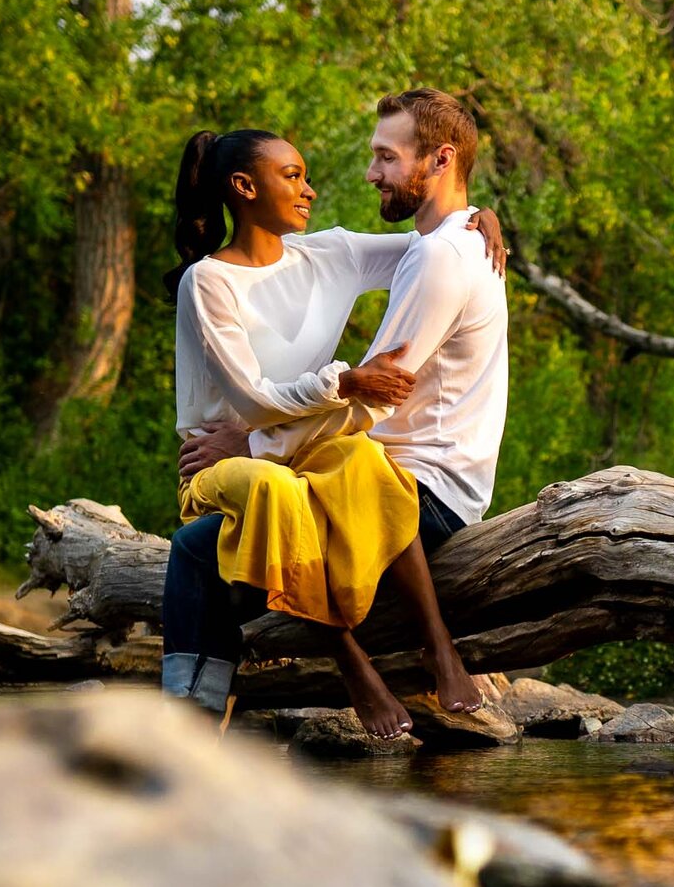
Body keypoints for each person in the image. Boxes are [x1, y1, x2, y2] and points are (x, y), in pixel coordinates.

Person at [174, 91, 513, 730]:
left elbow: (370, 405)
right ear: (243, 189)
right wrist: (474, 212)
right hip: (393, 469)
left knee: (201, 551)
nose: (368, 173)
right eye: (294, 175)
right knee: (248, 517)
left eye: (386, 156)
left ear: (438, 159)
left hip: (422, 484)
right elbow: (278, 397)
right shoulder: (214, 280)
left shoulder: (438, 253)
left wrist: (249, 445)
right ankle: (199, 719)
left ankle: (195, 719)